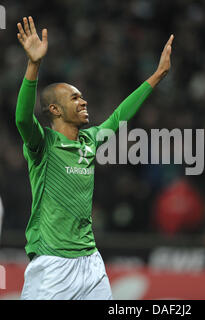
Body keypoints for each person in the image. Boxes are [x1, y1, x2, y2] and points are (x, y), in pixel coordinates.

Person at [16, 16, 174, 300]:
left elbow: (119, 116)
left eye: (82, 97)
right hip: (52, 265)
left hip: (91, 262)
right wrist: (34, 65)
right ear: (54, 109)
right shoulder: (43, 145)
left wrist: (157, 76)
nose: (83, 101)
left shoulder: (90, 141)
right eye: (75, 98)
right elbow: (22, 119)